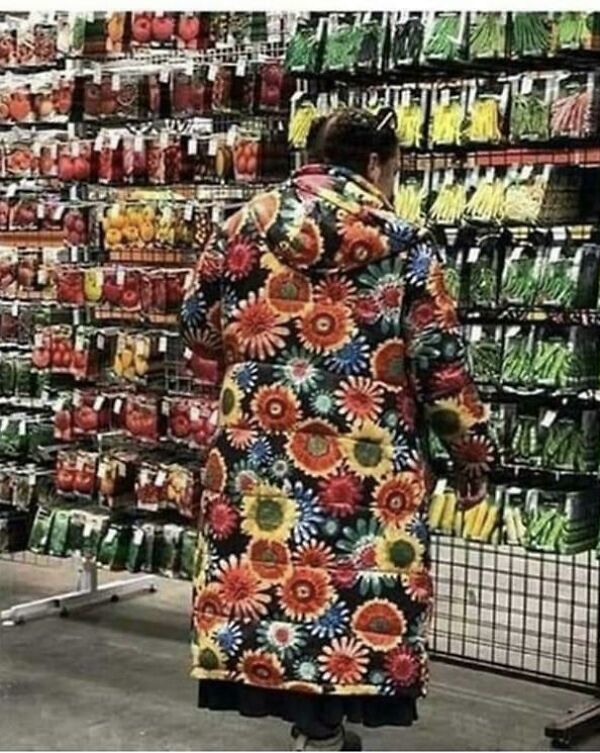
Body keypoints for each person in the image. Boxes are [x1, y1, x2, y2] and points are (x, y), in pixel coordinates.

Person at [180, 108, 491, 751]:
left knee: (272, 587)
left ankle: (313, 729)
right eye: (395, 171)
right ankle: (325, 729)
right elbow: (440, 363)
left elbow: (196, 326)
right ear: (374, 165)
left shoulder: (240, 227)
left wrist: (256, 353)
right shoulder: (406, 244)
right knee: (353, 594)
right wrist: (470, 451)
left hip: (258, 453)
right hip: (368, 463)